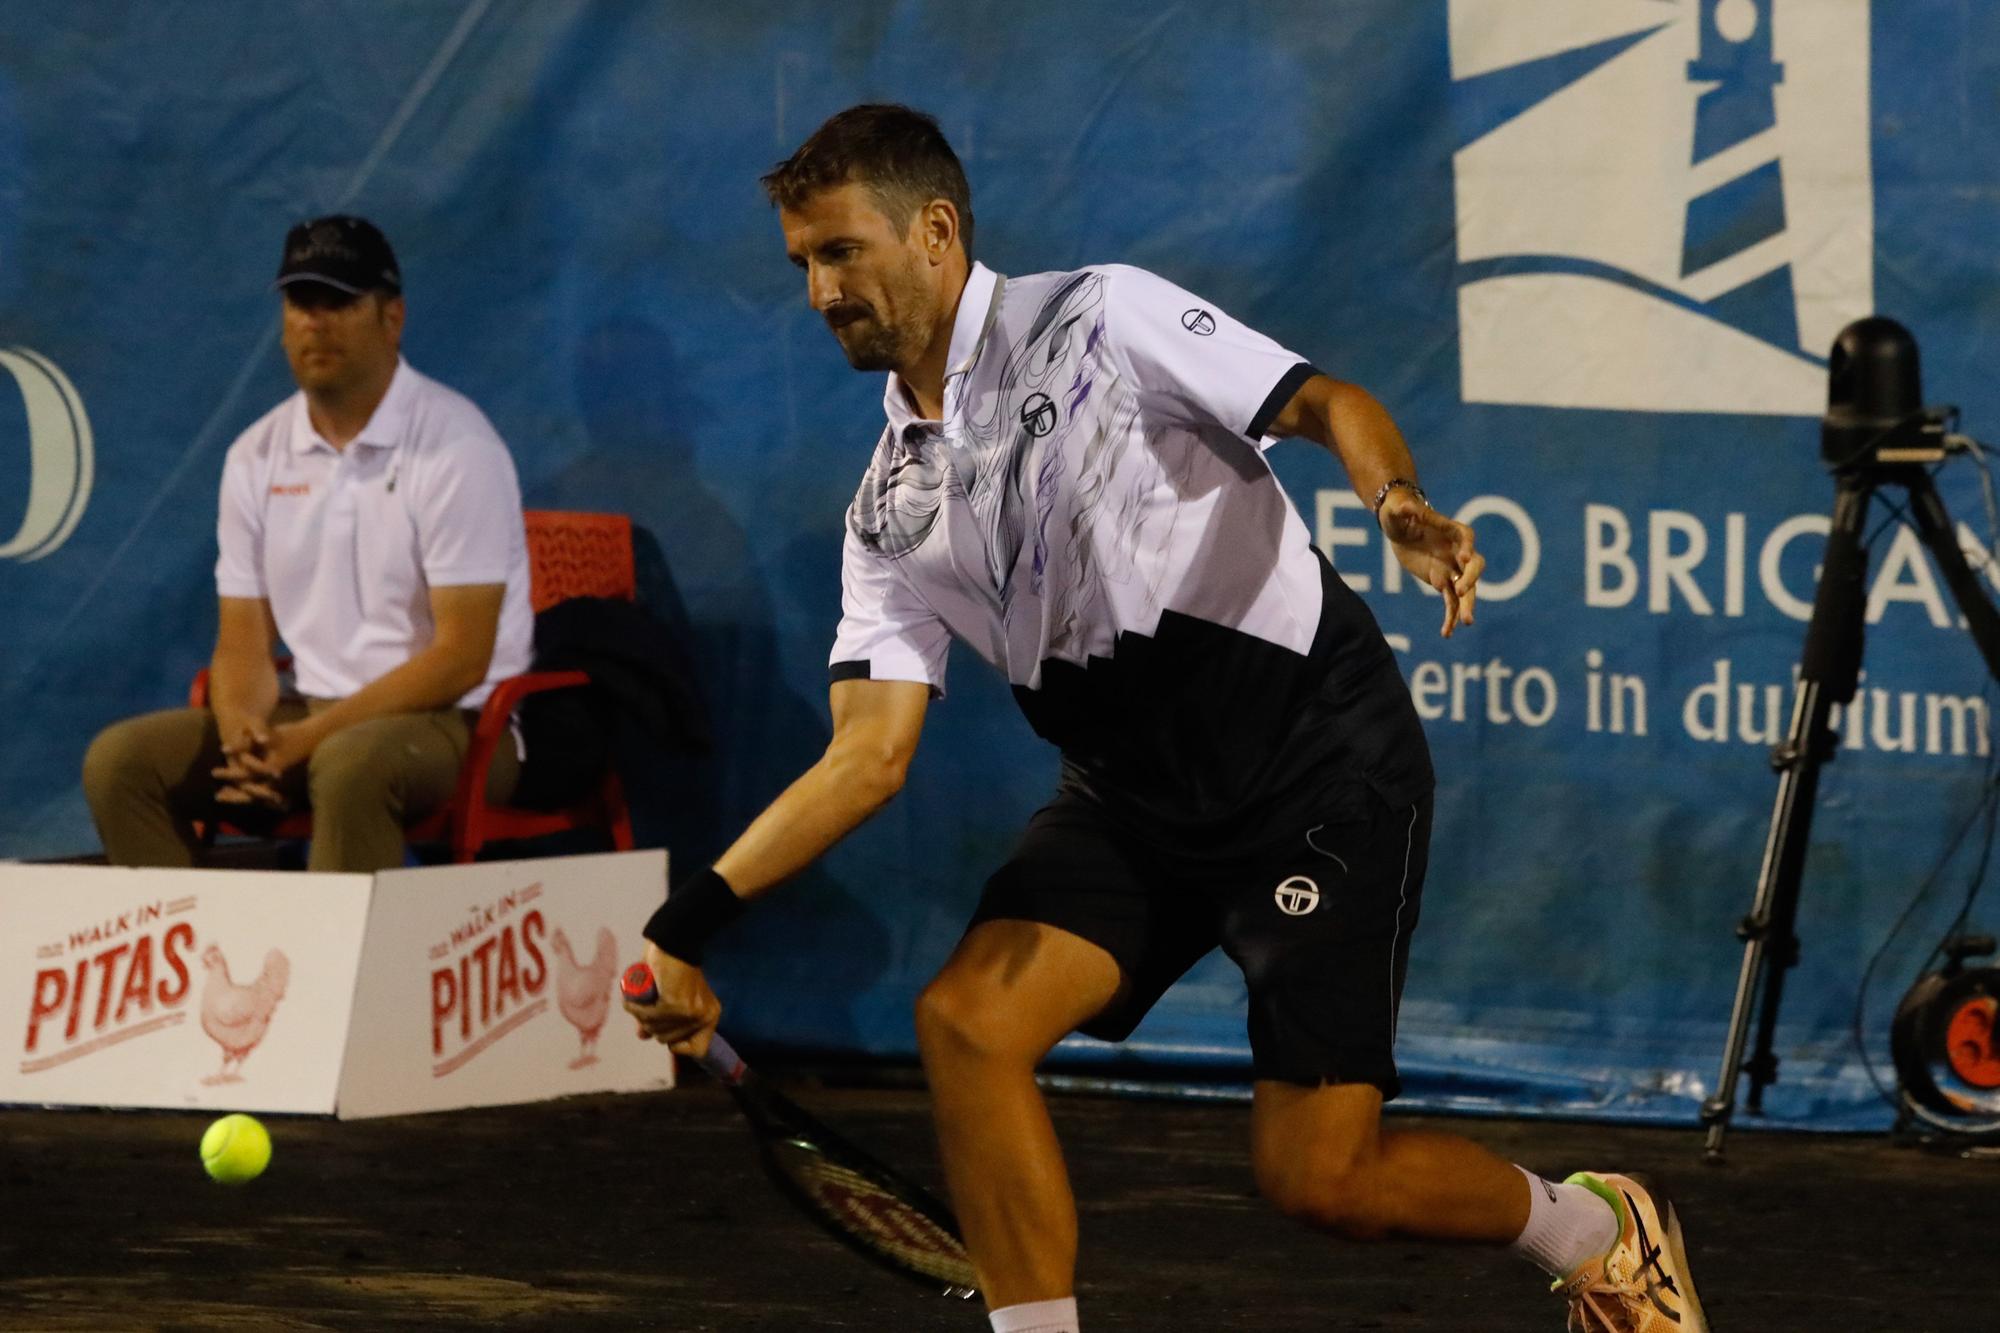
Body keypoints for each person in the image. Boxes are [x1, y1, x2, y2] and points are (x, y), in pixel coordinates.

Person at [625, 105, 1707, 1333]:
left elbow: (1325, 402)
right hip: (1133, 800)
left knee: (1320, 1179)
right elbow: (866, 757)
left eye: (841, 252)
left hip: (1317, 768)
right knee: (966, 1021)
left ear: (932, 232)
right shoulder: (886, 510)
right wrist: (684, 924)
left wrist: (1395, 500)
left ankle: (1596, 1229)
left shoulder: (1101, 315)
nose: (820, 290)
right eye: (801, 265)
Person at [82, 215, 534, 874]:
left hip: (461, 724)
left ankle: (345, 978)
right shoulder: (254, 455)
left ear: (392, 318)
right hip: (310, 716)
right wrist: (245, 738)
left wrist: (306, 740)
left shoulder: (458, 447)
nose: (316, 322)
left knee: (351, 765)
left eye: (341, 302)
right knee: (122, 762)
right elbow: (242, 643)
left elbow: (461, 658)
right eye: (301, 302)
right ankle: (209, 958)